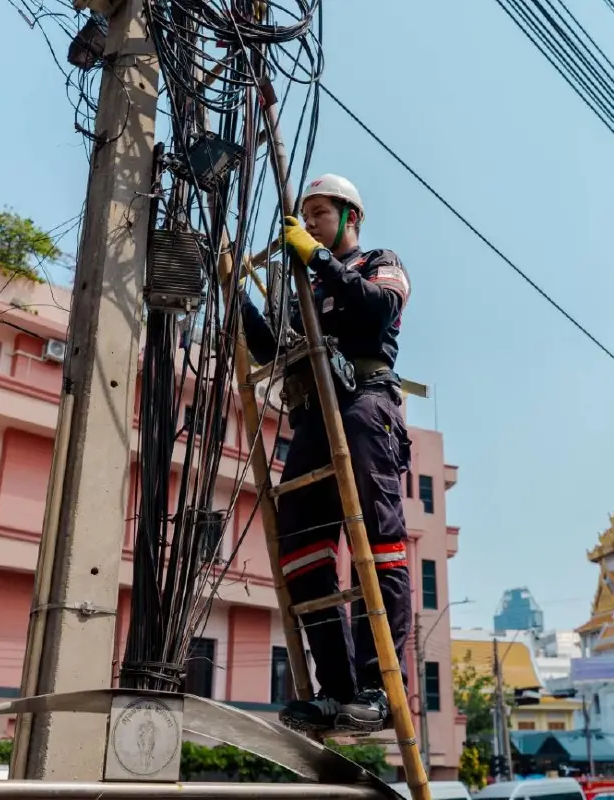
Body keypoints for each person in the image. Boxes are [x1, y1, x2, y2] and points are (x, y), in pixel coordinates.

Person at [238, 174, 413, 734]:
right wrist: (235, 297)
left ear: (350, 218)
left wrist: (317, 258)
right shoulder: (303, 291)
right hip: (313, 413)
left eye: (318, 213)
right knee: (302, 552)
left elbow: (376, 312)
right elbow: (271, 348)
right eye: (304, 214)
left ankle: (378, 690)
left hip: (366, 404)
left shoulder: (376, 263)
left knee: (376, 547)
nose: (308, 222)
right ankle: (336, 691)